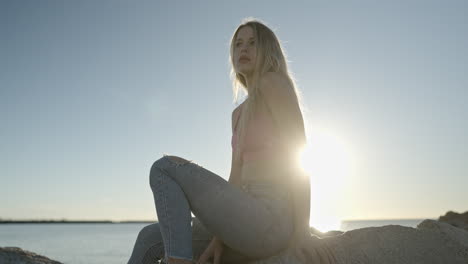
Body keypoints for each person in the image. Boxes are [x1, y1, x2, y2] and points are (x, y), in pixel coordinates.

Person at [128, 18, 336, 264]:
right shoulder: (238, 114)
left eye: (252, 43)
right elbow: (235, 178)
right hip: (245, 215)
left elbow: (299, 154)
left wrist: (302, 231)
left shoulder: (274, 83)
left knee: (164, 168)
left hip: (272, 217)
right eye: (238, 44)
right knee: (149, 238)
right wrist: (219, 239)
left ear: (267, 50)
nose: (243, 49)